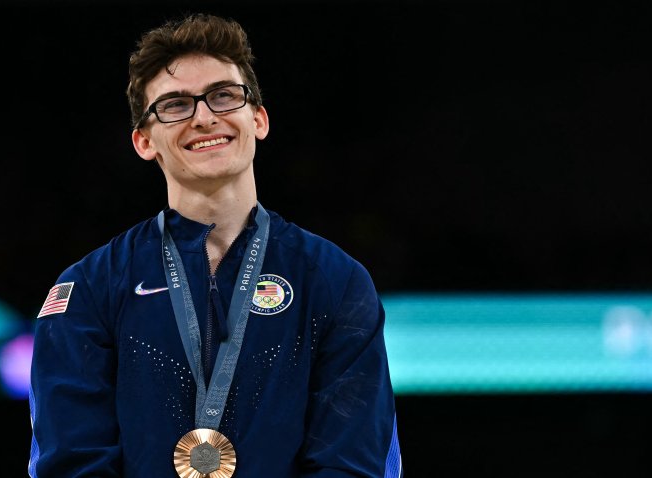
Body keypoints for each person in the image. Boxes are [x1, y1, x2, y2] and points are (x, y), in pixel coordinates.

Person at [27, 12, 403, 478]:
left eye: (224, 96)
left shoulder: (336, 280)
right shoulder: (88, 289)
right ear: (144, 141)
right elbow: (72, 463)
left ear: (259, 119)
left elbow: (351, 462)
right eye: (175, 105)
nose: (204, 117)